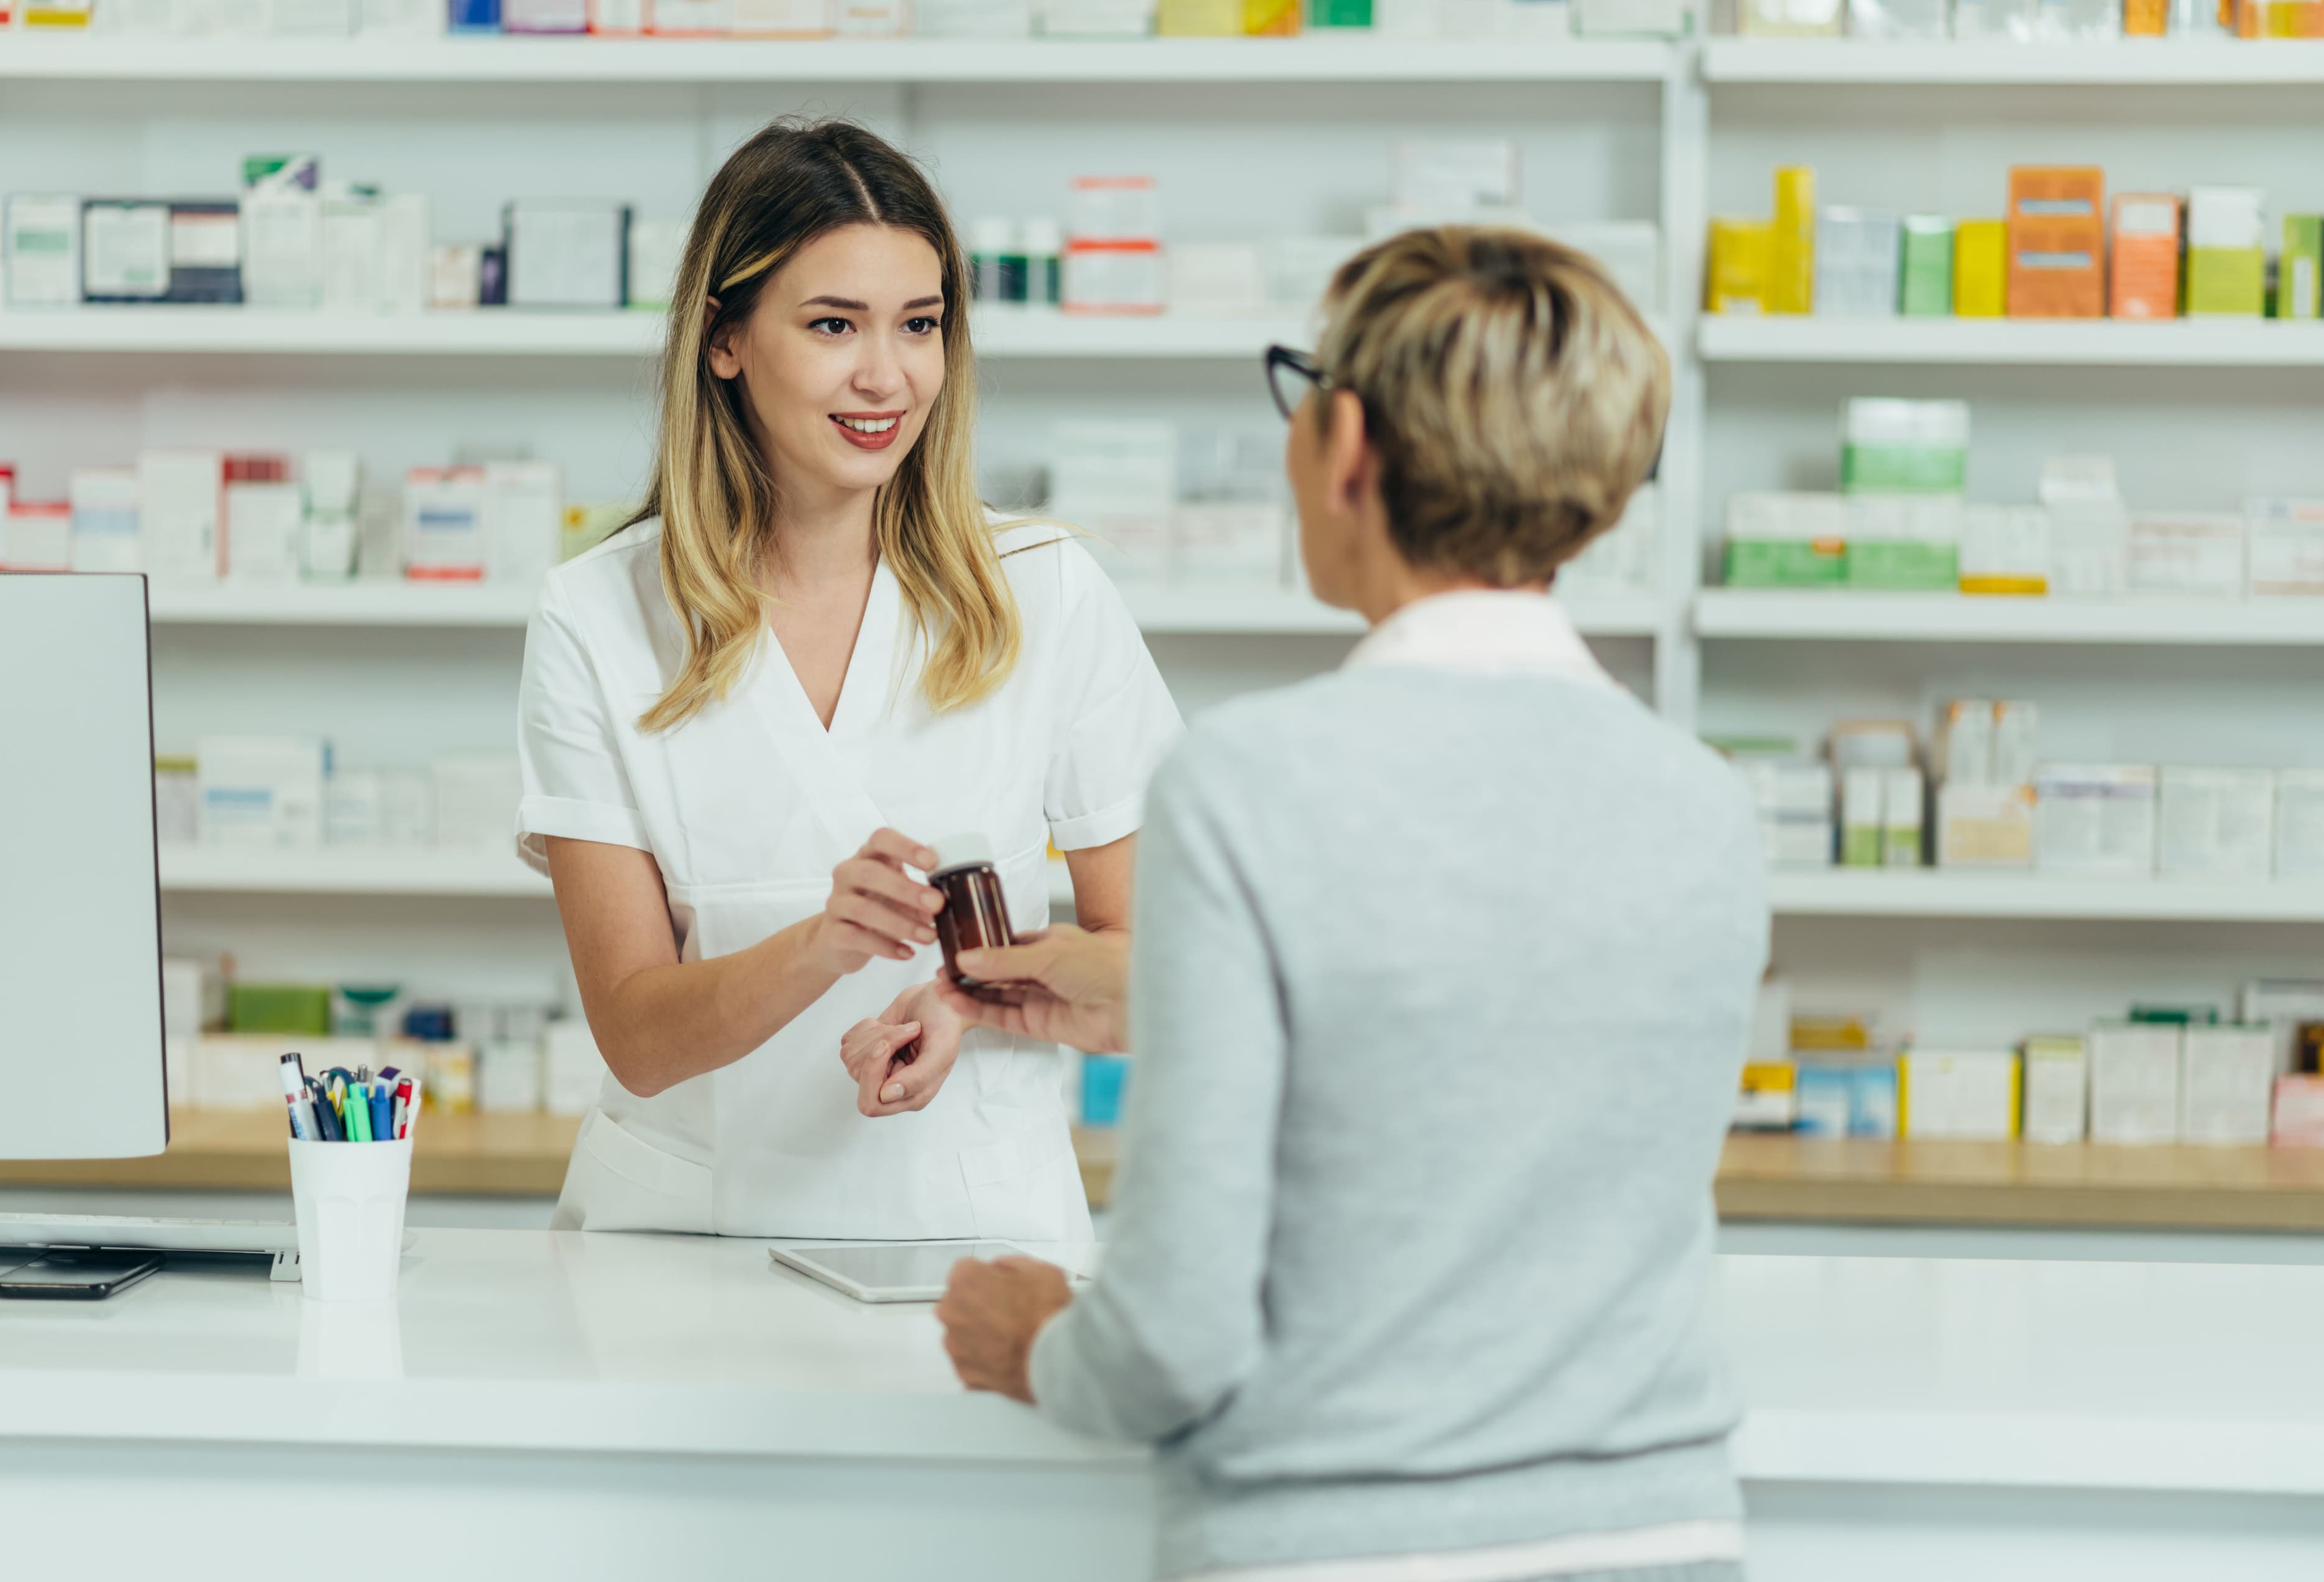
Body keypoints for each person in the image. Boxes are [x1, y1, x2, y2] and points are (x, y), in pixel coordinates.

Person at [935, 227, 1769, 1582]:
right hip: (1659, 1540)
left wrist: (1033, 1343)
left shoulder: (1253, 787)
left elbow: (1173, 1339)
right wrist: (1155, 985)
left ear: (1347, 449)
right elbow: (1479, 1058)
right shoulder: (1703, 805)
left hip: (1339, 1548)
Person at [514, 118, 1181, 1241]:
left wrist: (982, 1002)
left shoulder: (1044, 592)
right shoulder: (598, 616)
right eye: (834, 325)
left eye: (920, 326)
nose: (888, 376)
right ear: (723, 339)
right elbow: (636, 1030)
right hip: (686, 1246)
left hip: (974, 1225)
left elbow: (1163, 966)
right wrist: (826, 945)